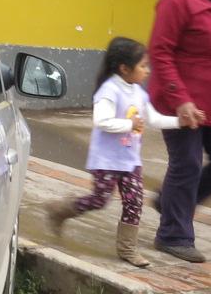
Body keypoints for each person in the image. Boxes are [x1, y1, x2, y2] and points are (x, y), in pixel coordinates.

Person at [49, 36, 178, 266]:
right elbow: (102, 121)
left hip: (130, 160)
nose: (148, 71)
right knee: (100, 200)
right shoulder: (109, 90)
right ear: (124, 68)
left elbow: (154, 119)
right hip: (107, 160)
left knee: (135, 201)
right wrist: (130, 125)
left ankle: (127, 250)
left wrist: (181, 122)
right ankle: (61, 210)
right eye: (143, 66)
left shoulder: (138, 92)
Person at [148, 0, 211, 263]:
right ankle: (173, 234)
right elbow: (160, 53)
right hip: (180, 101)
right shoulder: (176, 1)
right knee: (187, 163)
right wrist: (180, 100)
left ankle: (170, 202)